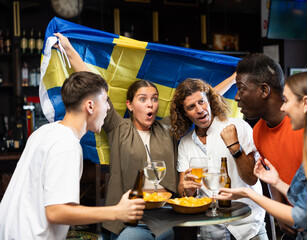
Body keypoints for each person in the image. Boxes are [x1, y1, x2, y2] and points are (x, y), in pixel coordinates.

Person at [55, 32, 177, 240]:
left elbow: (194, 104)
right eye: (143, 99)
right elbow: (94, 90)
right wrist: (69, 50)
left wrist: (229, 79)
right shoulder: (119, 127)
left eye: (154, 99)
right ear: (129, 105)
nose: (150, 104)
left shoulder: (166, 128)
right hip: (129, 222)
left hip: (164, 220)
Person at [0, 71, 146, 240]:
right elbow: (56, 212)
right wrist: (117, 212)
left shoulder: (43, 132)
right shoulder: (67, 145)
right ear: (90, 106)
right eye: (105, 100)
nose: (108, 107)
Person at [217, 69, 307, 239]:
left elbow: (302, 217)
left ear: (305, 103)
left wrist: (250, 194)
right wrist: (276, 181)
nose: (283, 108)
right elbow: (304, 197)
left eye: (286, 101)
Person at [218, 53, 303, 238]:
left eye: (241, 88)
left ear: (264, 90)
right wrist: (279, 212)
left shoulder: (305, 121)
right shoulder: (257, 131)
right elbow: (271, 175)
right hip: (295, 222)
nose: (236, 97)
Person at [170, 78, 267, 240]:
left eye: (202, 102)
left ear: (210, 100)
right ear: (184, 113)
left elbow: (251, 178)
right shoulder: (185, 143)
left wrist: (234, 147)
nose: (200, 110)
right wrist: (188, 189)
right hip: (211, 230)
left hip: (248, 225)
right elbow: (183, 190)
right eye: (191, 107)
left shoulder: (238, 127)